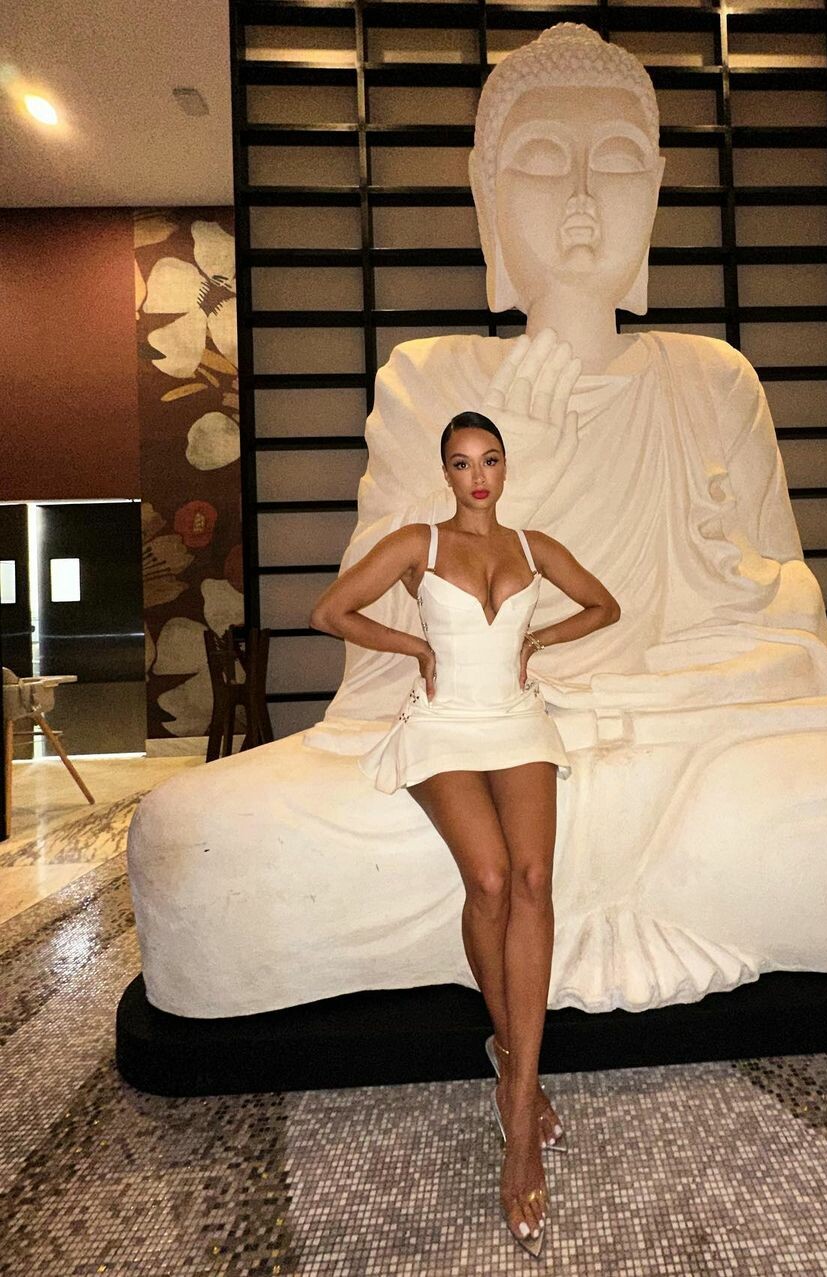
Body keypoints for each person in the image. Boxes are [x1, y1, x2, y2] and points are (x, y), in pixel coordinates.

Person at [308, 409, 620, 1258]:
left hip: (517, 720)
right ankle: (515, 1066)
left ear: (505, 468)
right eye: (460, 463)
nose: (477, 476)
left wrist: (542, 636)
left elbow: (606, 604)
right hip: (444, 725)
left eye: (489, 460)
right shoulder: (420, 544)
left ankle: (517, 1101)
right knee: (488, 879)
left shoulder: (533, 546)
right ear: (444, 473)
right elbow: (331, 609)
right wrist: (413, 647)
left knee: (533, 881)